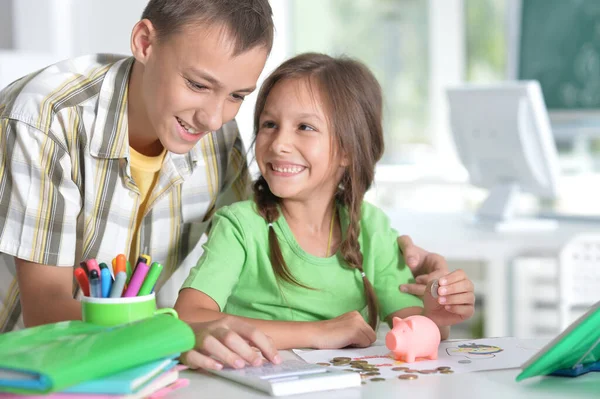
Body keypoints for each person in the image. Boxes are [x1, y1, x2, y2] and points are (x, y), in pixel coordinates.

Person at [0, 0, 447, 369]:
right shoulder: (45, 119)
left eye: (237, 97)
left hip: (139, 369)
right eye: (198, 84)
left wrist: (401, 256)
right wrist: (180, 330)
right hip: (26, 365)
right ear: (144, 42)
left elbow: (264, 228)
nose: (213, 118)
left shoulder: (215, 138)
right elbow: (46, 315)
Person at [174, 53, 476, 351]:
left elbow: (415, 325)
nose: (279, 143)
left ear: (348, 150)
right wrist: (318, 333)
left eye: (304, 127)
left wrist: (438, 313)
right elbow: (189, 318)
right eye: (269, 124)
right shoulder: (240, 226)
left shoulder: (372, 228)